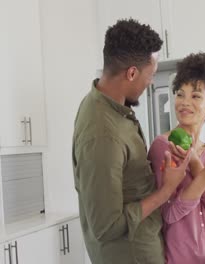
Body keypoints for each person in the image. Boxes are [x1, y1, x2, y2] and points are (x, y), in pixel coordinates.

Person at [72, 19, 192, 264]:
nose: (150, 83)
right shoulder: (102, 133)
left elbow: (125, 178)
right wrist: (166, 190)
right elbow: (106, 227)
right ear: (132, 73)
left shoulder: (108, 105)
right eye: (151, 75)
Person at [148, 53, 205, 264]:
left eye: (195, 96)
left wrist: (197, 164)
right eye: (180, 94)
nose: (184, 102)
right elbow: (168, 213)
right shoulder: (163, 146)